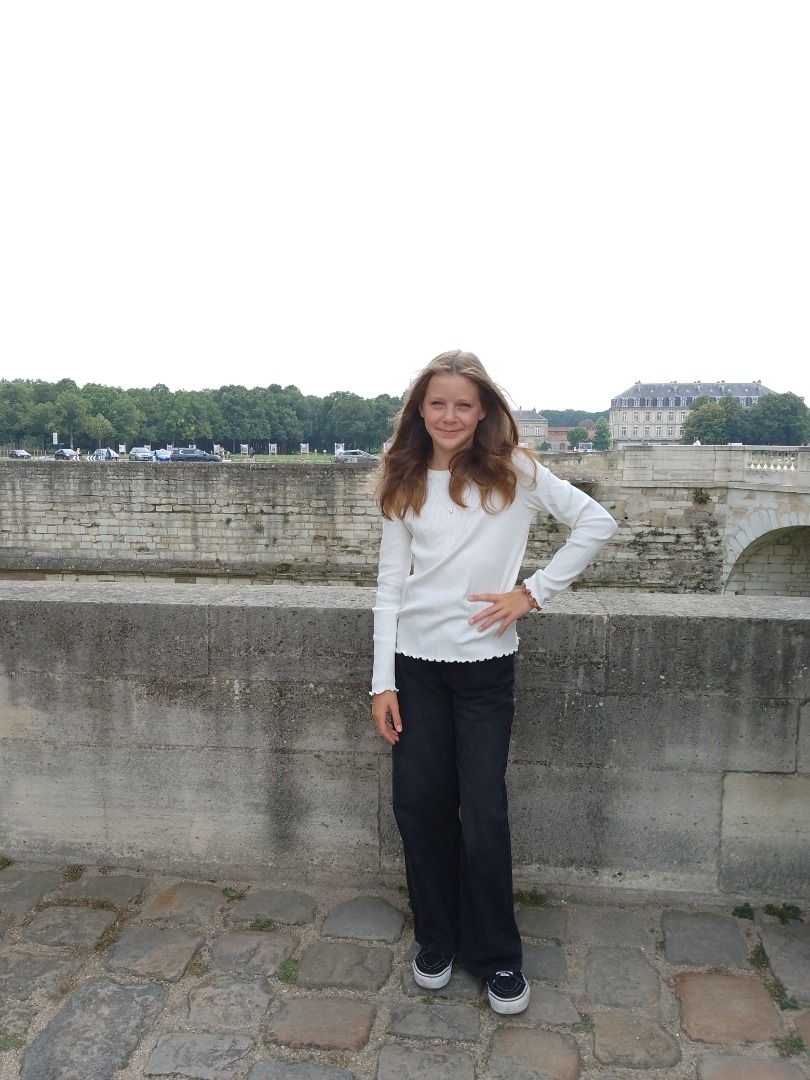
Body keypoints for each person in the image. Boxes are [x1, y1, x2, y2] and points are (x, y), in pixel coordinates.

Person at [370, 350, 618, 1015]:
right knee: (418, 807)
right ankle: (437, 938)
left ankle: (497, 955)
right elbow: (391, 587)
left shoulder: (515, 471)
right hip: (416, 668)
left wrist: (531, 593)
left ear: (483, 411)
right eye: (437, 403)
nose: (449, 416)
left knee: (482, 814)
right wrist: (381, 683)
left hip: (484, 672)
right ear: (421, 410)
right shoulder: (405, 477)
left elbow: (596, 523)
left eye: (463, 404)